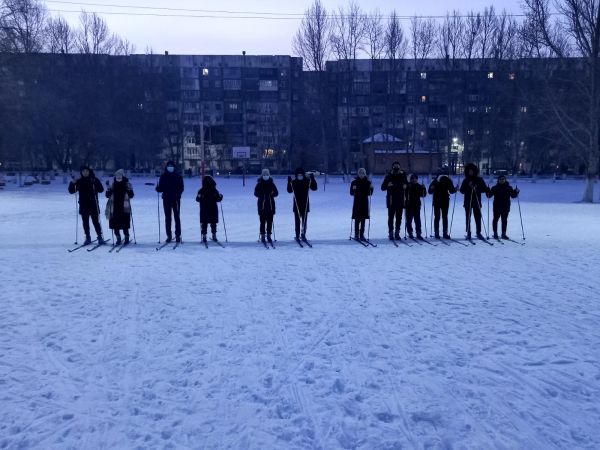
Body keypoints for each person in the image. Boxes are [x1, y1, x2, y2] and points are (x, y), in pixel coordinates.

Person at [68, 166, 105, 245]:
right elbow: (71, 191)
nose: (85, 172)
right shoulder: (79, 181)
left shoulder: (94, 179)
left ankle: (99, 236)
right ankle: (88, 237)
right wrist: (72, 183)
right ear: (81, 172)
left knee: (96, 222)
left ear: (89, 171)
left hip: (93, 204)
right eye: (83, 171)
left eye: (86, 171)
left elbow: (101, 190)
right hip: (83, 205)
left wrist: (96, 184)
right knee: (85, 222)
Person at [156, 161, 184, 243]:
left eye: (171, 166)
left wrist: (178, 194)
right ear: (167, 167)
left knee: (177, 218)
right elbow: (161, 188)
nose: (170, 167)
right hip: (166, 199)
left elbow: (181, 188)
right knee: (168, 218)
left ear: (174, 167)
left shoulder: (178, 176)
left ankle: (178, 235)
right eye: (169, 166)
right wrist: (158, 189)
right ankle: (169, 235)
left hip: (176, 200)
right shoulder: (163, 176)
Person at [459, 163, 490, 239]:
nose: (470, 172)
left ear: (475, 171)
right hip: (468, 201)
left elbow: (484, 189)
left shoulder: (479, 179)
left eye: (472, 171)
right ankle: (468, 232)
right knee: (468, 217)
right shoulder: (466, 180)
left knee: (478, 217)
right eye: (469, 171)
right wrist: (469, 187)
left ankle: (478, 232)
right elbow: (462, 190)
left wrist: (477, 188)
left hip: (477, 201)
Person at [287, 167, 317, 240]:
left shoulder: (307, 181)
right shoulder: (294, 182)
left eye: (301, 175)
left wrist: (313, 179)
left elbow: (314, 188)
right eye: (298, 175)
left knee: (304, 221)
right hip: (297, 204)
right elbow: (289, 190)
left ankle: (303, 234)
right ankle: (297, 235)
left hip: (305, 204)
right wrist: (289, 182)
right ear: (296, 175)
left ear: (303, 175)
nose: (300, 176)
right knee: (297, 221)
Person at [105, 169, 134, 245]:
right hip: (114, 207)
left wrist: (129, 189)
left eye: (120, 175)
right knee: (115, 224)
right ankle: (118, 238)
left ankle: (126, 237)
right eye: (117, 175)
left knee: (125, 224)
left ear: (122, 176)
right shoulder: (113, 184)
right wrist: (108, 189)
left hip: (124, 207)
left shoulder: (127, 184)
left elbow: (131, 195)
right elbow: (107, 195)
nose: (118, 177)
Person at [381, 161, 408, 240]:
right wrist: (387, 185)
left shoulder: (403, 175)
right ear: (392, 167)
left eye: (397, 166)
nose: (396, 167)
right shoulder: (389, 176)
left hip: (400, 199)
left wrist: (406, 186)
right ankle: (390, 232)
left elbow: (407, 185)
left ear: (399, 167)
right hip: (391, 200)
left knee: (399, 218)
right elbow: (382, 187)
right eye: (395, 166)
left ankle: (397, 232)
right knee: (391, 218)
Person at [487, 174, 520, 239]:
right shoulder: (495, 188)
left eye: (503, 179)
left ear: (505, 180)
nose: (502, 180)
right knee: (495, 220)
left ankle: (503, 234)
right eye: (500, 179)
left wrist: (516, 192)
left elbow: (513, 196)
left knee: (504, 220)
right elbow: (489, 196)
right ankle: (495, 233)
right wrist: (487, 191)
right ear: (498, 180)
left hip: (506, 206)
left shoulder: (509, 187)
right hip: (497, 206)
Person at [428, 168, 457, 239]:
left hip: (442, 201)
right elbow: (430, 191)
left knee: (440, 217)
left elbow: (429, 191)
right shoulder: (438, 181)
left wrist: (455, 189)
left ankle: (441, 232)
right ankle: (440, 232)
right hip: (441, 201)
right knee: (441, 217)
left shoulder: (438, 180)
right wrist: (455, 189)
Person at [195, 175, 223, 242]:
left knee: (205, 222)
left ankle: (205, 235)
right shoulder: (214, 190)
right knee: (213, 222)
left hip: (205, 209)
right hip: (212, 208)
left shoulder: (201, 190)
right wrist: (221, 197)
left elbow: (197, 199)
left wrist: (199, 197)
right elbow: (218, 199)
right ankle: (213, 235)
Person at [254, 168, 279, 243]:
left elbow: (276, 193)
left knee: (269, 221)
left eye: (267, 174)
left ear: (269, 175)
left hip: (270, 206)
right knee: (262, 222)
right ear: (262, 175)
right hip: (262, 206)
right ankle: (262, 235)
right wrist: (261, 194)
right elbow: (255, 193)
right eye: (264, 174)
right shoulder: (259, 183)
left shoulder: (271, 183)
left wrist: (271, 194)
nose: (265, 176)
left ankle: (268, 235)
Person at [350, 168, 374, 241]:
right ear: (358, 174)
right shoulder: (354, 182)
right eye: (360, 173)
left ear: (365, 174)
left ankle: (362, 235)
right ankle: (356, 234)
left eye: (363, 173)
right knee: (357, 219)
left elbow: (370, 194)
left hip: (364, 202)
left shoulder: (368, 182)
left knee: (363, 219)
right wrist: (353, 189)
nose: (361, 175)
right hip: (357, 202)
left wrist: (371, 188)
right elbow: (351, 193)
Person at [405, 173, 427, 239]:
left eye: (415, 179)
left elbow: (423, 195)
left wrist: (424, 188)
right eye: (413, 179)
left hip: (417, 205)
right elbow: (404, 194)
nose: (414, 180)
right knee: (409, 219)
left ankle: (418, 233)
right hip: (409, 205)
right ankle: (410, 232)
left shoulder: (419, 186)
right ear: (410, 179)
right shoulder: (408, 185)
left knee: (417, 219)